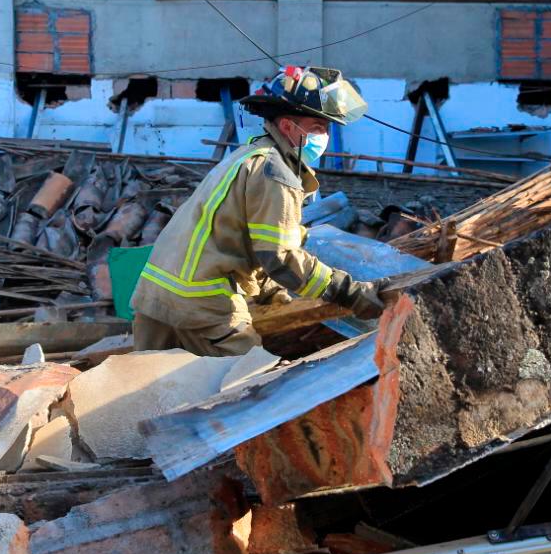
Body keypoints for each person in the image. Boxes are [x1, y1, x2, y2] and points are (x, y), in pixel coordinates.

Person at [129, 65, 386, 357]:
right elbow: (280, 255)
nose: (324, 136)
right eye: (318, 128)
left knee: (152, 395)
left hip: (156, 295)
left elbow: (237, 236)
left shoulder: (246, 156)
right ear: (289, 127)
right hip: (204, 304)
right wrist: (348, 292)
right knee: (253, 385)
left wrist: (267, 291)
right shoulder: (275, 173)